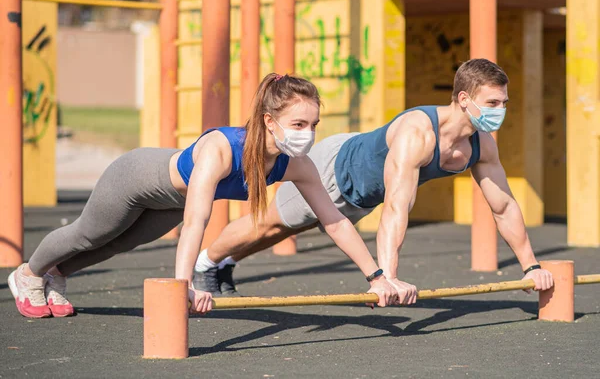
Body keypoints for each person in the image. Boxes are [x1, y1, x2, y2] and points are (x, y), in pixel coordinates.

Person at [8, 73, 399, 319]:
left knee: (116, 247)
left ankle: (56, 274)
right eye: (298, 123)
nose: (308, 132)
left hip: (170, 202)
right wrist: (185, 285)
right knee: (88, 235)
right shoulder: (221, 148)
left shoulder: (296, 164)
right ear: (269, 121)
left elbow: (334, 221)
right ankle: (27, 274)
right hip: (135, 178)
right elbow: (198, 220)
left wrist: (377, 277)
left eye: (313, 124)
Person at [194, 59, 554, 302]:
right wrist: (388, 277)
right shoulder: (418, 133)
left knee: (287, 228)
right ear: (464, 99)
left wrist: (531, 267)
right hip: (334, 169)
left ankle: (224, 263)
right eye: (493, 102)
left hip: (361, 196)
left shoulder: (481, 144)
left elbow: (503, 205)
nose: (500, 111)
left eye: (504, 103)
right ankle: (207, 262)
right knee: (273, 223)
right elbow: (397, 206)